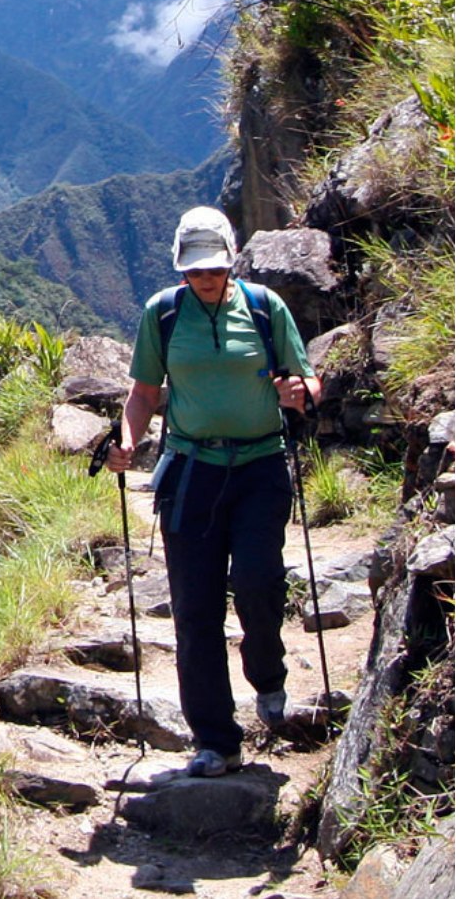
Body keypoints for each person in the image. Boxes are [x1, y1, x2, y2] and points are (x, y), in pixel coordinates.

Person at [106, 207, 321, 778]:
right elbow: (144, 393)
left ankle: (267, 676)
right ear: (182, 268)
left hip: (260, 468)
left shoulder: (264, 308)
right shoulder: (164, 314)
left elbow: (306, 378)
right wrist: (126, 441)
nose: (205, 277)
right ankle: (216, 741)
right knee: (195, 608)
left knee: (258, 582)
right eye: (196, 269)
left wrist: (299, 392)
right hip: (191, 472)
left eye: (215, 268)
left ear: (232, 263)